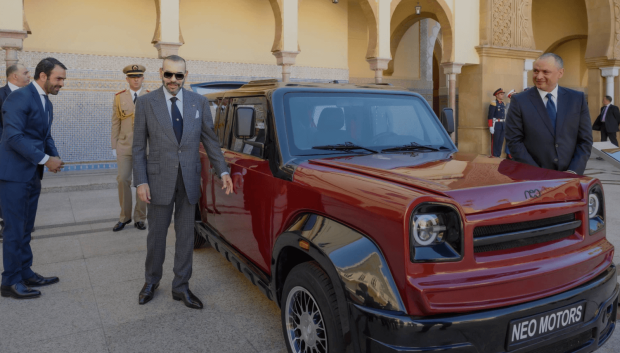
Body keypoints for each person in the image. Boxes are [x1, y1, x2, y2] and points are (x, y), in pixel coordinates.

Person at [133, 55, 233, 309]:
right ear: (161, 73)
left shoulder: (198, 102)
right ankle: (151, 282)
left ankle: (181, 287)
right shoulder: (146, 103)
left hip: (189, 180)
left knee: (186, 237)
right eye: (169, 74)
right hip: (158, 180)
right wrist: (141, 181)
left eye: (179, 75)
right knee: (156, 236)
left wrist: (223, 172)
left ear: (186, 76)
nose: (173, 80)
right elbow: (137, 148)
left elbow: (210, 141)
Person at [0, 57, 66, 299]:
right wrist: (44, 159)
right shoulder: (18, 98)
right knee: (14, 230)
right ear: (43, 76)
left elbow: (44, 136)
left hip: (31, 174)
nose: (61, 83)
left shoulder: (46, 102)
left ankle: (25, 272)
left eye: (63, 79)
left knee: (26, 228)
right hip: (13, 175)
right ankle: (9, 281)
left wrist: (54, 156)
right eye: (58, 79)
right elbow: (13, 138)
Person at [505, 53, 592, 175]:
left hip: (570, 177)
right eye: (536, 71)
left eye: (545, 72)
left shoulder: (577, 99)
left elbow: (585, 140)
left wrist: (574, 170)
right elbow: (514, 141)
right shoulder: (519, 101)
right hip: (533, 177)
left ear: (560, 73)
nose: (539, 76)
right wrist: (536, 172)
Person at [111, 65, 149, 232]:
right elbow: (115, 122)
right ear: (127, 79)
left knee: (143, 181)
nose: (136, 79)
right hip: (125, 145)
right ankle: (124, 217)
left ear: (142, 78)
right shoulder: (119, 97)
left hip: (145, 148)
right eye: (132, 76)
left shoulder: (150, 97)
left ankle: (140, 218)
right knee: (123, 179)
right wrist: (114, 145)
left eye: (139, 76)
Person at [0, 63, 31, 242]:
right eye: (25, 73)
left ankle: (22, 222)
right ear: (14, 77)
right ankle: (6, 223)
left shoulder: (29, 96)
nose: (28, 76)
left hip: (25, 153)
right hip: (5, 151)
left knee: (22, 188)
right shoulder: (0, 94)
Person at [488, 88, 507, 157]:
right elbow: (490, 116)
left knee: (500, 141)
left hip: (502, 124)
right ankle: (494, 156)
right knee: (495, 141)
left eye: (503, 94)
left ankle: (498, 156)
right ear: (497, 95)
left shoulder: (503, 104)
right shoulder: (493, 103)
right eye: (501, 94)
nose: (503, 96)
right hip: (496, 124)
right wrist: (491, 126)